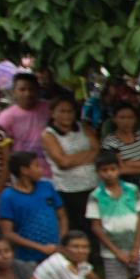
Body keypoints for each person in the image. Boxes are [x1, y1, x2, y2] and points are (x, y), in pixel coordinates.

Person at [40, 95, 101, 243]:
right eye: (62, 111)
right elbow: (63, 162)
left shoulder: (84, 128)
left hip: (92, 185)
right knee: (76, 228)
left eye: (70, 111)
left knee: (94, 224)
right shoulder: (48, 134)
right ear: (53, 113)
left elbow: (98, 150)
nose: (67, 115)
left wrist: (73, 158)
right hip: (68, 189)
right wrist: (87, 155)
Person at [87, 152, 140, 279]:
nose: (109, 173)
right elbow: (96, 227)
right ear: (98, 172)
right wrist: (117, 253)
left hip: (138, 246)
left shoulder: (132, 189)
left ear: (119, 169)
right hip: (112, 251)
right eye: (104, 170)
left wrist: (136, 248)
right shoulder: (95, 195)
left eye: (112, 169)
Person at [0, 150, 66, 261]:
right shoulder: (7, 197)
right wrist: (40, 248)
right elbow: (7, 233)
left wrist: (61, 241)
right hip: (28, 259)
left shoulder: (47, 187)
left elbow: (62, 216)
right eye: (36, 166)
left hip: (56, 253)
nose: (41, 170)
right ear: (24, 170)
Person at [99, 104, 140, 188]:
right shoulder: (110, 141)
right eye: (122, 118)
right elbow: (119, 168)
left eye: (130, 117)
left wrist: (130, 163)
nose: (126, 121)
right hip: (125, 183)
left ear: (135, 119)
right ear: (114, 119)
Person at [0, 71, 53, 163]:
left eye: (31, 89)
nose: (27, 94)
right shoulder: (6, 117)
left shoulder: (51, 109)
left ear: (38, 90)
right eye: (22, 89)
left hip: (52, 168)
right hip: (23, 170)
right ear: (14, 91)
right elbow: (4, 146)